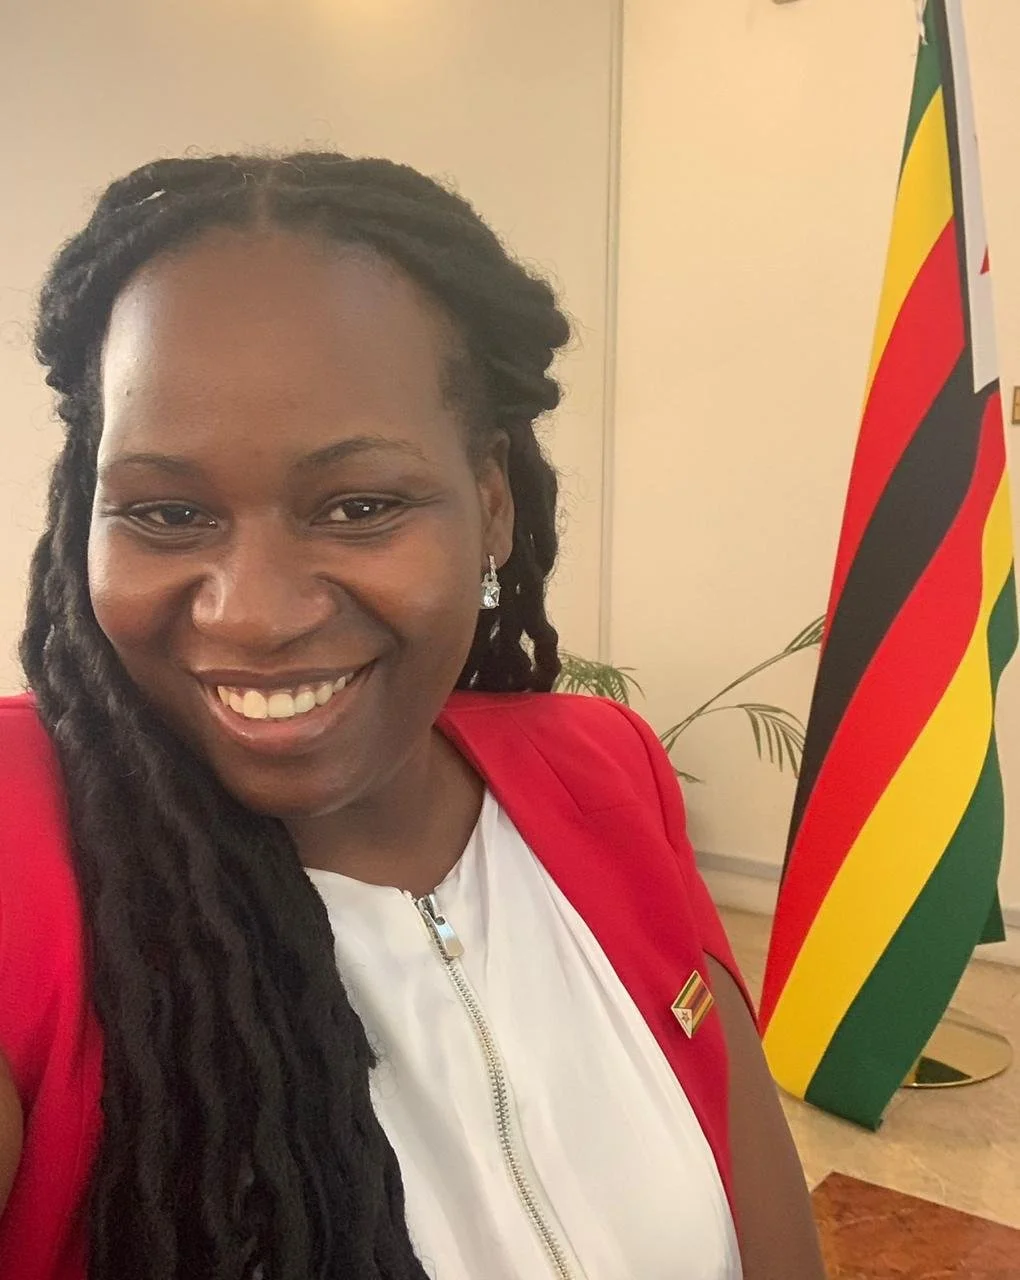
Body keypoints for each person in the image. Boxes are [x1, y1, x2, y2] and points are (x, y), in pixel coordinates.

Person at [0, 152, 824, 1280]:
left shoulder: (601, 768)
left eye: (359, 504)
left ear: (491, 503)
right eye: (168, 510)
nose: (252, 614)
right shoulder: (19, 845)